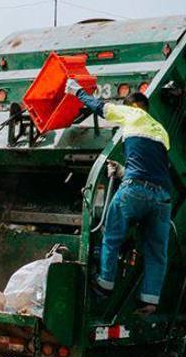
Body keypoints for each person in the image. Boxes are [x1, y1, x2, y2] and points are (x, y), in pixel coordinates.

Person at [67, 80, 171, 314]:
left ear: (134, 105)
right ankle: (150, 301)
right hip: (162, 197)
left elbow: (99, 107)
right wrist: (124, 171)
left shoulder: (132, 114)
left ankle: (104, 285)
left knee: (111, 234)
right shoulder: (162, 130)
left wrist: (77, 92)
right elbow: (153, 164)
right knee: (156, 251)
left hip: (135, 191)